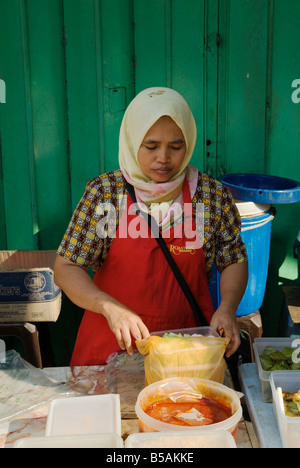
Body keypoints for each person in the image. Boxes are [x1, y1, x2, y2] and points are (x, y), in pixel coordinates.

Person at [54, 87, 248, 366]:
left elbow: (233, 259)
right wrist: (109, 308)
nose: (164, 158)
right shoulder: (107, 194)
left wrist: (228, 308)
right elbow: (66, 267)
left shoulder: (209, 196)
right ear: (133, 142)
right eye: (151, 146)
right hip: (112, 346)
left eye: (176, 146)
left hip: (187, 348)